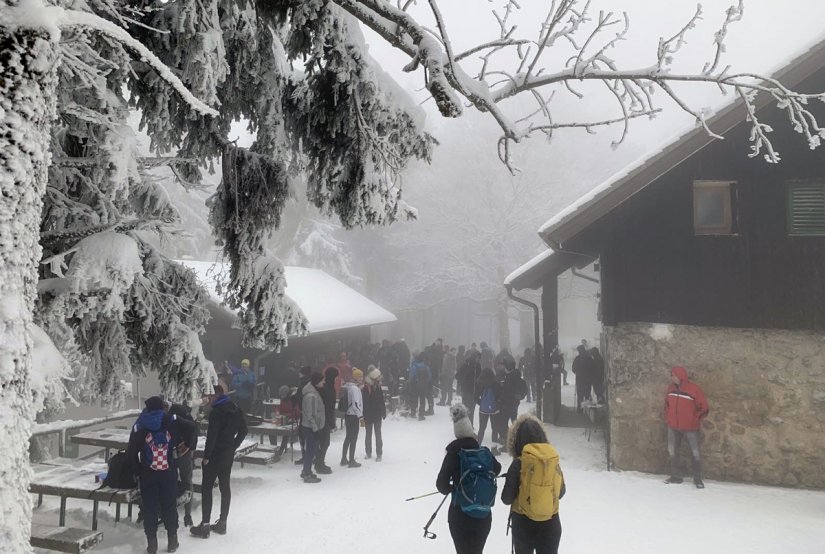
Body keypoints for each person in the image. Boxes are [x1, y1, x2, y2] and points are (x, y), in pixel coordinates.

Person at [127, 396, 196, 554]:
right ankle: (173, 541)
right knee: (169, 505)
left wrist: (138, 472)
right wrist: (187, 445)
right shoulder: (172, 419)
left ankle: (152, 545)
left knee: (149, 507)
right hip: (168, 471)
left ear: (148, 408)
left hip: (148, 473)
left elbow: (131, 453)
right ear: (161, 407)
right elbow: (193, 428)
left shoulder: (140, 424)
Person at [436, 404, 502, 554]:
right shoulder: (483, 452)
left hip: (460, 514)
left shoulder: (453, 453)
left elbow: (441, 485)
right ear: (471, 431)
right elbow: (497, 469)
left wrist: (454, 487)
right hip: (483, 514)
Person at [501, 414, 566, 554]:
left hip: (523, 525)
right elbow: (561, 492)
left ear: (516, 440)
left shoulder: (518, 463)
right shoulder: (551, 460)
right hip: (551, 523)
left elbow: (506, 499)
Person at [190, 385, 248, 539]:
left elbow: (212, 436)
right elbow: (244, 430)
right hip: (227, 454)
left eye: (210, 396)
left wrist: (206, 456)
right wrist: (233, 446)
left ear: (217, 396)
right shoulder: (236, 408)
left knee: (207, 488)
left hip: (215, 454)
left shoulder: (216, 412)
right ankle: (222, 523)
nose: (209, 399)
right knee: (224, 487)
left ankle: (205, 525)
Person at [664, 366, 709, 488]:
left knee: (695, 453)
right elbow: (667, 404)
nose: (672, 377)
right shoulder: (670, 389)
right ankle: (676, 476)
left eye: (674, 375)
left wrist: (694, 419)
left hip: (690, 427)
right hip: (673, 426)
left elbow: (704, 407)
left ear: (680, 376)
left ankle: (698, 479)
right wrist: (668, 417)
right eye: (671, 375)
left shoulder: (694, 389)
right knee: (672, 450)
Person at [164, 399, 198, 528]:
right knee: (169, 479)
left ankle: (187, 514)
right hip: (168, 451)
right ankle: (169, 512)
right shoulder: (158, 414)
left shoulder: (179, 412)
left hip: (182, 449)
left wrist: (188, 446)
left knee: (186, 479)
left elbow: (194, 428)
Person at [300, 372, 326, 483]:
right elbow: (311, 414)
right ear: (317, 382)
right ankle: (306, 473)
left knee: (311, 449)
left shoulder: (313, 393)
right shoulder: (311, 396)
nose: (324, 382)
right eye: (322, 380)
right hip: (310, 427)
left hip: (310, 426)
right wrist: (316, 429)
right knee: (310, 450)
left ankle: (306, 470)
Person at [315, 366, 338, 475]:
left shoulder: (325, 387)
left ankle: (319, 462)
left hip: (324, 418)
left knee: (323, 442)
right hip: (325, 418)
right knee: (325, 442)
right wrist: (331, 421)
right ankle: (319, 464)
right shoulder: (328, 388)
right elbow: (329, 407)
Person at [340, 367, 364, 467]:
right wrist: (361, 417)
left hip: (349, 415)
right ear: (356, 378)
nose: (362, 378)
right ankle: (351, 460)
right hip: (353, 416)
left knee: (348, 437)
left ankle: (344, 458)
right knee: (353, 438)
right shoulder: (355, 389)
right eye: (360, 376)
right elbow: (355, 404)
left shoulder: (350, 387)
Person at [362, 365, 386, 461]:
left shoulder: (378, 387)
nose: (380, 379)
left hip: (377, 415)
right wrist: (364, 415)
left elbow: (381, 400)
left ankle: (379, 453)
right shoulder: (366, 388)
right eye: (378, 377)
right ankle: (368, 452)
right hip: (369, 415)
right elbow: (365, 403)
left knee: (377, 434)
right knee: (369, 434)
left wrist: (383, 411)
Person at [292, 366, 312, 465]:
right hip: (308, 412)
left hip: (304, 412)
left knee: (303, 435)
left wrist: (294, 397)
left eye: (300, 372)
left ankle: (306, 456)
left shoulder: (303, 383)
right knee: (308, 434)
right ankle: (310, 455)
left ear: (303, 373)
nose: (298, 374)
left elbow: (300, 397)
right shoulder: (310, 382)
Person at [475, 368, 501, 445]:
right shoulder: (495, 383)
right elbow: (499, 396)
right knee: (495, 428)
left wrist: (482, 403)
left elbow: (475, 397)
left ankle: (478, 445)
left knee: (482, 428)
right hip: (494, 410)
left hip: (483, 410)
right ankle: (494, 448)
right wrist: (496, 405)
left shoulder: (480, 383)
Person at [455, 351, 482, 425]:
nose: (478, 359)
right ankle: (466, 427)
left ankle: (469, 427)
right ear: (474, 357)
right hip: (466, 391)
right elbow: (457, 376)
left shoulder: (478, 366)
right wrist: (464, 380)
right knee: (466, 410)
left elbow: (480, 378)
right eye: (477, 358)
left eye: (479, 358)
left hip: (473, 392)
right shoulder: (466, 364)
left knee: (470, 411)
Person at [502, 358, 528, 425]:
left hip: (508, 402)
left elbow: (507, 391)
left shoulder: (509, 377)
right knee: (514, 419)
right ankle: (515, 433)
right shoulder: (517, 375)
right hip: (515, 401)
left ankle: (506, 434)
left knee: (504, 420)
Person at [408, 353, 432, 420]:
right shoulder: (426, 366)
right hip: (423, 386)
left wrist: (410, 382)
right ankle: (421, 415)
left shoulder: (414, 366)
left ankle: (413, 413)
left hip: (415, 385)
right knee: (422, 400)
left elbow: (411, 376)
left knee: (414, 399)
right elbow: (430, 376)